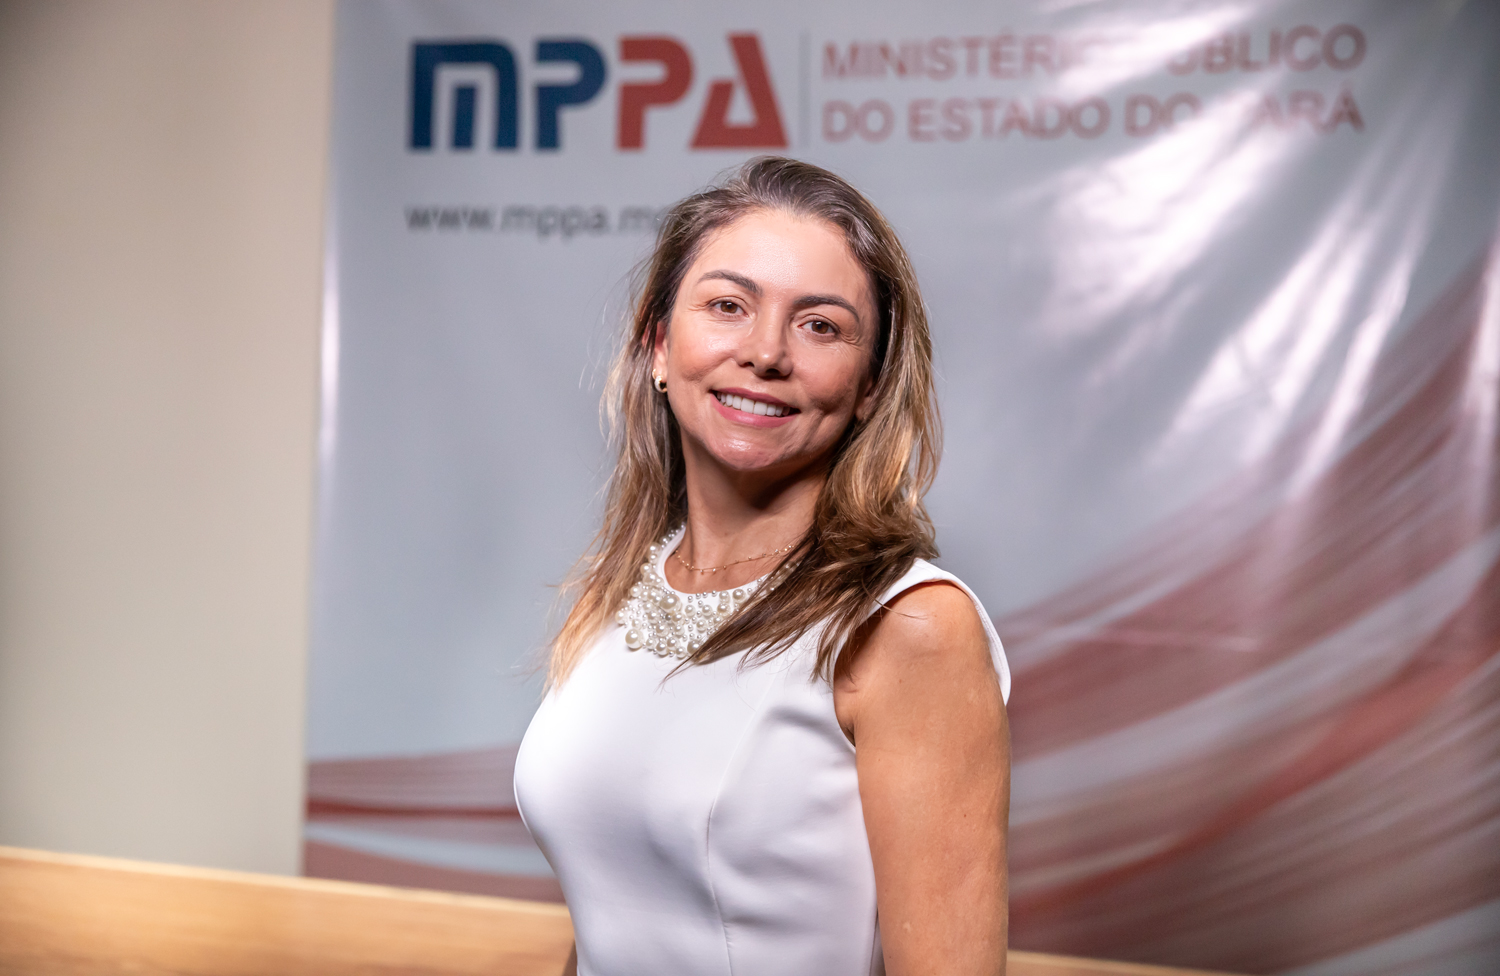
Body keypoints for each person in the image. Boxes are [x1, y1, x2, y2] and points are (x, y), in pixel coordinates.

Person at [513, 157, 1012, 976]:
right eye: (726, 306)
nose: (766, 352)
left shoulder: (909, 627)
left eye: (820, 325)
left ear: (869, 386)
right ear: (657, 344)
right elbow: (620, 902)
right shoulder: (620, 590)